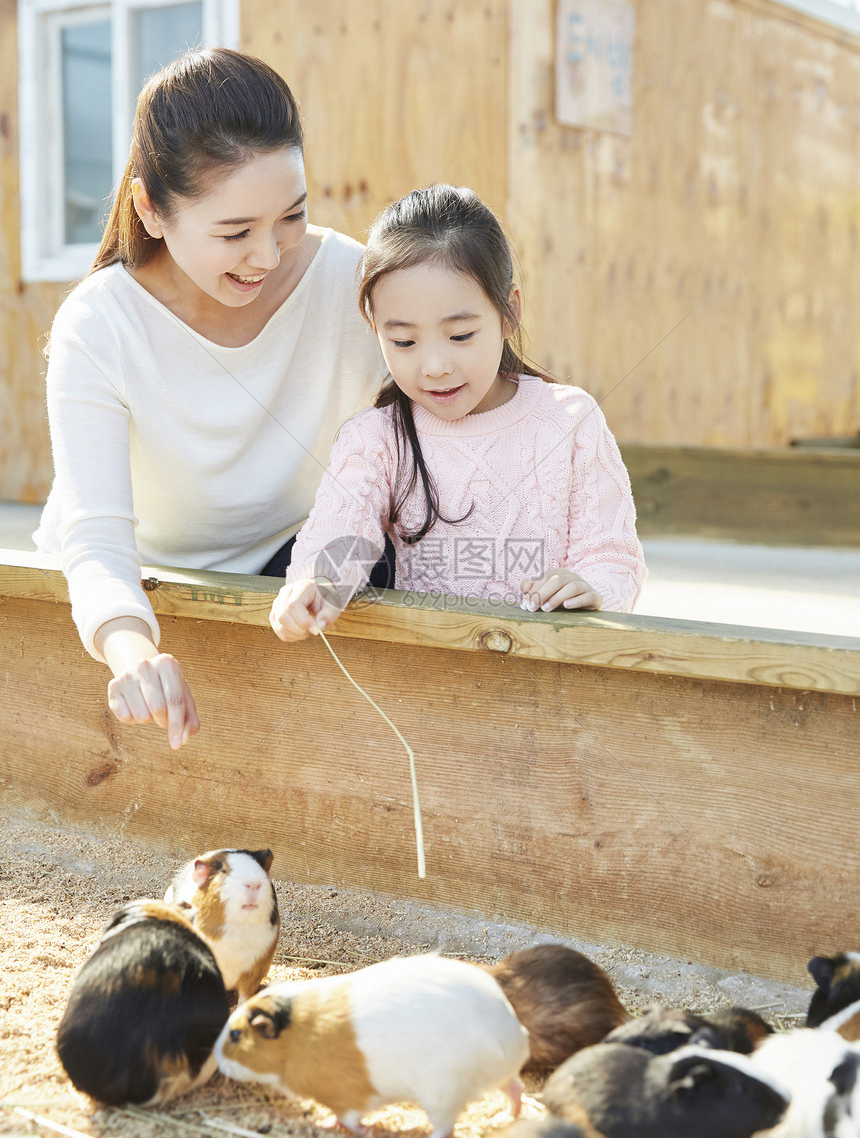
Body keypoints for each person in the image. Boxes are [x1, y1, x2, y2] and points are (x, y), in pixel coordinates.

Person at [34, 48, 387, 749]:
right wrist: (133, 653)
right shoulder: (100, 324)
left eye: (291, 215)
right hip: (138, 585)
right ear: (151, 210)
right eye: (235, 233)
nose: (269, 254)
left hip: (290, 570)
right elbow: (99, 543)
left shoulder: (353, 280)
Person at [269, 184, 646, 644]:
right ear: (376, 329)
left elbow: (613, 554)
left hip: (550, 680)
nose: (435, 366)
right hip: (431, 684)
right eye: (404, 342)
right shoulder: (377, 438)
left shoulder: (571, 422)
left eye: (461, 335)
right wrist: (316, 583)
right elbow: (340, 527)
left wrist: (593, 590)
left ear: (509, 312)